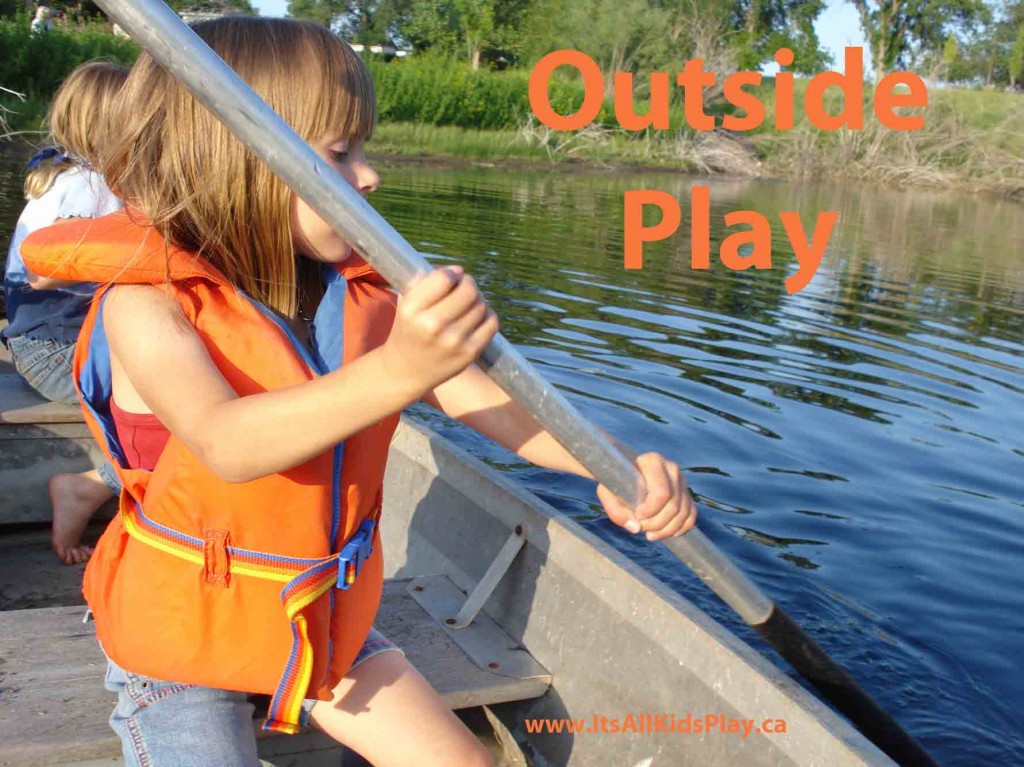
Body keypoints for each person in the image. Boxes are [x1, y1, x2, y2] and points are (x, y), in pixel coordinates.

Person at [20, 17, 698, 767]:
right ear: (232, 159)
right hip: (181, 631)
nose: (370, 176)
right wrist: (400, 370)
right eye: (340, 154)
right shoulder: (146, 304)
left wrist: (609, 467)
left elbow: (478, 397)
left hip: (306, 606)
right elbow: (227, 442)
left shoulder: (351, 293)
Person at [2, 61, 128, 565]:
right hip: (55, 348)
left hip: (56, 339)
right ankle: (91, 487)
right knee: (177, 407)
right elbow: (44, 274)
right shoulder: (85, 185)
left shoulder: (86, 177)